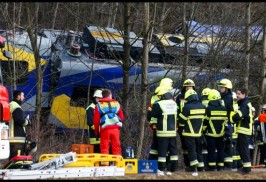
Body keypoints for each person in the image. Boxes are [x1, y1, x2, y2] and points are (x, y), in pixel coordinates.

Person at [148, 87, 178, 176]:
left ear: (162, 96)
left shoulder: (159, 104)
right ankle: (173, 168)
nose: (159, 97)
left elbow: (152, 114)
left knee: (162, 151)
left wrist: (150, 111)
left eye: (159, 96)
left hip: (162, 132)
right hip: (172, 132)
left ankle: (161, 168)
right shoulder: (174, 103)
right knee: (173, 150)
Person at [178, 89, 206, 176]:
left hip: (188, 133)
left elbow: (181, 120)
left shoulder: (187, 107)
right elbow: (205, 120)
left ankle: (193, 168)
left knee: (191, 150)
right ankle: (201, 167)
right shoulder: (202, 106)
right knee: (198, 150)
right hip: (199, 133)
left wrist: (182, 128)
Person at [147, 78, 173, 160]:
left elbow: (150, 112)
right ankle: (165, 164)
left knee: (155, 144)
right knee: (166, 145)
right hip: (165, 125)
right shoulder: (167, 97)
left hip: (156, 124)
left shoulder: (154, 96)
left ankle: (152, 163)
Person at [93, 89, 124, 156]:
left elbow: (96, 121)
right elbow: (121, 117)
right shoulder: (116, 104)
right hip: (115, 129)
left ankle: (105, 165)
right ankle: (117, 165)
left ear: (102, 96)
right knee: (116, 148)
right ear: (110, 95)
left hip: (105, 129)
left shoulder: (98, 106)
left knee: (104, 148)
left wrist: (97, 132)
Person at [203, 89, 228, 171]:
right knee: (221, 150)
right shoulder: (224, 109)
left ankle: (212, 167)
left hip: (210, 134)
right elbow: (226, 122)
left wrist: (203, 131)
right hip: (221, 134)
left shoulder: (208, 109)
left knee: (211, 150)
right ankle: (220, 166)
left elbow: (205, 122)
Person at [9, 90, 37, 160]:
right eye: (23, 95)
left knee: (14, 159)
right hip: (16, 139)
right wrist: (27, 122)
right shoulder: (16, 106)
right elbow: (19, 119)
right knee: (17, 160)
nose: (24, 97)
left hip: (13, 138)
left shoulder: (11, 105)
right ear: (18, 97)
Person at [175, 79, 196, 170]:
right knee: (184, 145)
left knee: (193, 145)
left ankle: (194, 165)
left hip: (194, 124)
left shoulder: (196, 97)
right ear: (184, 87)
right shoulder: (179, 97)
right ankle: (187, 164)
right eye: (187, 86)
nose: (189, 88)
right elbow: (177, 110)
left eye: (191, 86)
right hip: (182, 124)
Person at [232, 87, 253, 175]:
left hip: (244, 129)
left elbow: (238, 116)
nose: (237, 95)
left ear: (244, 94)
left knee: (244, 149)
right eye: (237, 93)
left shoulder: (244, 103)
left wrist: (233, 117)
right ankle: (245, 167)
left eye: (239, 93)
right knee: (242, 149)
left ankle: (247, 169)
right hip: (242, 129)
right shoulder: (242, 102)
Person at [217, 78, 234, 170]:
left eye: (222, 87)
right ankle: (223, 164)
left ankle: (228, 165)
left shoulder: (228, 97)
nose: (220, 89)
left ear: (227, 88)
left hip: (227, 124)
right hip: (224, 123)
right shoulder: (224, 96)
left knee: (228, 143)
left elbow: (223, 108)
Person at [201, 87, 211, 168]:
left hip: (201, 128)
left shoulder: (201, 104)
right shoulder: (211, 104)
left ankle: (204, 165)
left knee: (203, 148)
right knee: (210, 147)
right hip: (210, 128)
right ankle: (209, 164)